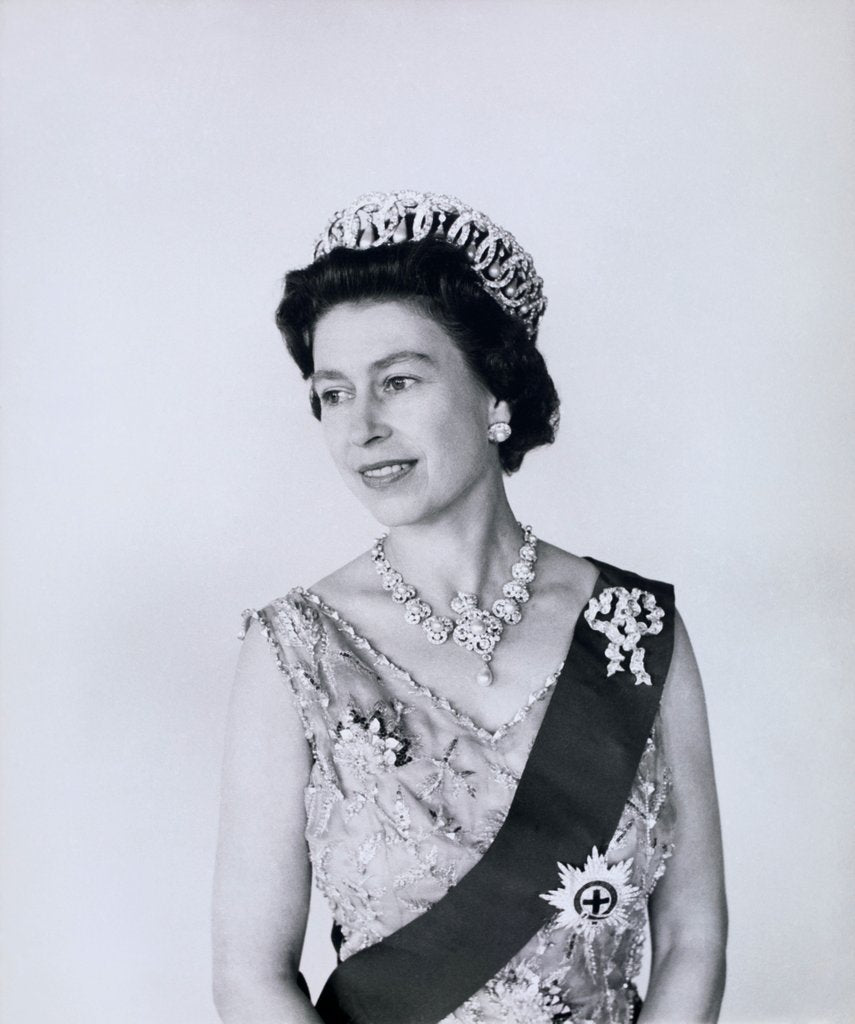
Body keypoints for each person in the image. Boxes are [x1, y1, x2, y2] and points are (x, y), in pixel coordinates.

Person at [212, 191, 727, 1024]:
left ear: (495, 393)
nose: (363, 427)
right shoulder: (294, 649)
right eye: (334, 394)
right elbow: (250, 974)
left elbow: (692, 937)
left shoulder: (632, 628)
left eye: (399, 381)